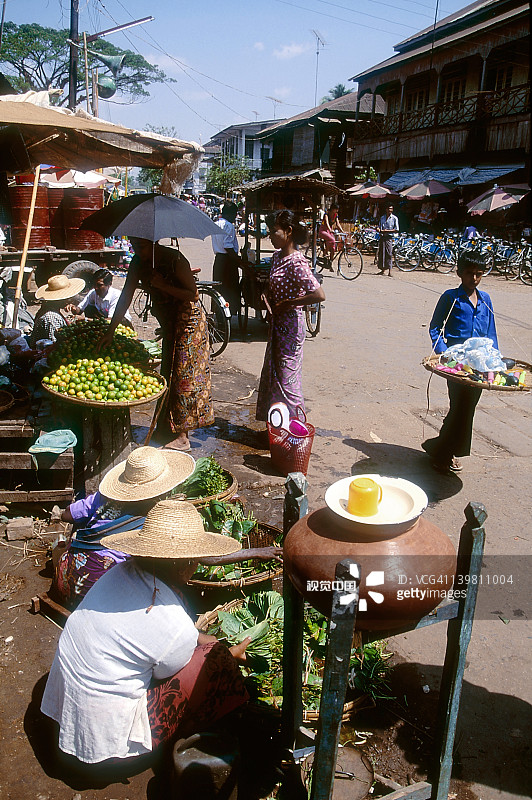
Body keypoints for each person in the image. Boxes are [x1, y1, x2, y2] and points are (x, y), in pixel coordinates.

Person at [41, 500, 251, 767]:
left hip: (65, 713)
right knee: (215, 660)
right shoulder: (174, 624)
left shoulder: (118, 572)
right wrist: (227, 655)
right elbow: (166, 673)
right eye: (196, 560)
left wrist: (195, 637)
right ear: (184, 565)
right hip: (106, 746)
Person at [54, 446, 280, 608]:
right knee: (171, 591)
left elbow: (67, 514)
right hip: (99, 593)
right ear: (162, 487)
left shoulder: (101, 497)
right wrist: (258, 552)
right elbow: (205, 557)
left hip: (66, 577)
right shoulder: (156, 518)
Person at [99, 238, 213, 451]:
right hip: (169, 323)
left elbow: (193, 294)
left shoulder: (175, 260)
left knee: (182, 377)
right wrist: (110, 330)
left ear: (154, 243)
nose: (138, 251)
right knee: (167, 372)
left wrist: (163, 286)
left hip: (188, 324)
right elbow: (125, 296)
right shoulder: (137, 263)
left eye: (142, 247)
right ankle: (165, 427)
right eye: (134, 246)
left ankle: (182, 436)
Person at [423, 251, 498, 474]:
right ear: (459, 273)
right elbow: (435, 328)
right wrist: (445, 354)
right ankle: (443, 453)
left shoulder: (486, 299)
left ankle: (443, 448)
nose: (473, 278)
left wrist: (493, 362)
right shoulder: (450, 297)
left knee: (468, 410)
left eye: (478, 274)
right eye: (469, 273)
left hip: (480, 365)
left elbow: (491, 333)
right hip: (457, 365)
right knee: (458, 407)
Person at [256, 210, 325, 424]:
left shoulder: (297, 262)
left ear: (288, 231)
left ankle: (296, 430)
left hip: (291, 328)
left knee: (288, 381)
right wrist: (267, 292)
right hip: (276, 324)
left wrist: (289, 303)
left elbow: (318, 294)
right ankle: (277, 426)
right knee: (274, 376)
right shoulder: (277, 257)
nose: (271, 236)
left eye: (274, 231)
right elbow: (272, 282)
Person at [28, 274, 85, 348]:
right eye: (68, 298)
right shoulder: (52, 317)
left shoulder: (49, 309)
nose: (70, 300)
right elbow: (54, 344)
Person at [66, 268, 133, 327]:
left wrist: (86, 319)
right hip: (104, 320)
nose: (96, 288)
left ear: (109, 284)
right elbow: (79, 310)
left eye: (99, 285)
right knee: (89, 308)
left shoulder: (116, 296)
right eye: (94, 284)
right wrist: (73, 308)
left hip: (120, 322)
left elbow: (111, 321)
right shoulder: (93, 293)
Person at [211, 202, 241, 317]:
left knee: (219, 290)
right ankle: (227, 314)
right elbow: (227, 246)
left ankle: (219, 316)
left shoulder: (216, 224)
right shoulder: (229, 225)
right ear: (230, 214)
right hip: (227, 262)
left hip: (219, 261)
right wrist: (238, 261)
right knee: (229, 290)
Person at [377, 205, 399, 276]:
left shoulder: (394, 218)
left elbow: (396, 229)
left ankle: (390, 271)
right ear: (386, 209)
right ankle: (382, 270)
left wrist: (387, 231)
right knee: (382, 254)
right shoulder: (382, 218)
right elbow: (379, 227)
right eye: (389, 209)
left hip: (389, 238)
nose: (390, 210)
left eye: (391, 209)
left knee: (389, 253)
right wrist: (378, 229)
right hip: (382, 237)